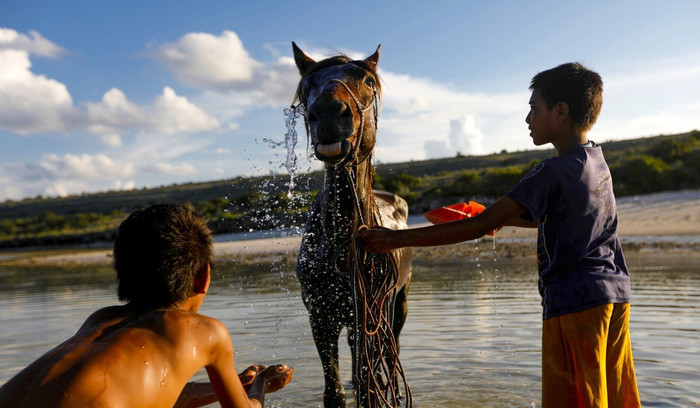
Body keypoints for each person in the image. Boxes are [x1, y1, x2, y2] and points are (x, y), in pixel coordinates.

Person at [358, 63, 641, 408]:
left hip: (574, 302)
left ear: (561, 111)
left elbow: (477, 228)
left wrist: (395, 239)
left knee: (575, 399)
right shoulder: (595, 160)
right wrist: (497, 218)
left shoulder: (550, 170)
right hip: (615, 295)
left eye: (534, 108)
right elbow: (560, 216)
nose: (527, 119)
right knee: (612, 393)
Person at [0, 203, 293, 408]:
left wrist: (232, 383)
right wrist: (259, 386)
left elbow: (148, 397)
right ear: (203, 275)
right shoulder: (206, 332)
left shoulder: (100, 320)